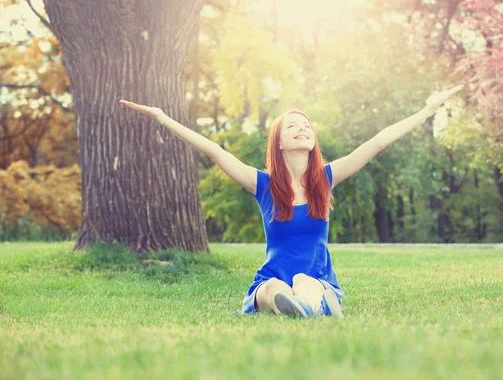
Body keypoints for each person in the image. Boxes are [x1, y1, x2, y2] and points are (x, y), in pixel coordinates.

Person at [119, 84, 464, 318]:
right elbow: (213, 150)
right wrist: (163, 118)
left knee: (303, 282)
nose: (301, 129)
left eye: (306, 126)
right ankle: (296, 306)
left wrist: (426, 110)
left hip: (315, 277)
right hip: (273, 277)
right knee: (271, 288)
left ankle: (309, 305)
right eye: (292, 127)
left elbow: (377, 142)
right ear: (279, 144)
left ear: (313, 139)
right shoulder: (263, 185)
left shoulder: (326, 179)